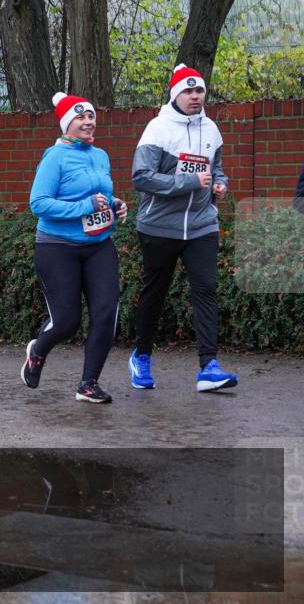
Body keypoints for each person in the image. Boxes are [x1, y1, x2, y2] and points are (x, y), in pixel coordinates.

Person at [129, 64, 238, 392]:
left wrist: (220, 183)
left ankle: (208, 367)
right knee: (155, 294)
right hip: (160, 226)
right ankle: (142, 356)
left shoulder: (212, 130)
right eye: (188, 91)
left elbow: (216, 168)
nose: (195, 97)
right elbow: (142, 177)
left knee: (205, 290)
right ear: (176, 95)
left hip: (202, 226)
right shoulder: (157, 129)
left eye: (199, 91)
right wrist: (190, 181)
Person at [21, 93, 128, 404]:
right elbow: (38, 203)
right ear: (68, 124)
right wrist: (83, 206)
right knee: (67, 322)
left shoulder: (100, 156)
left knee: (106, 315)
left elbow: (101, 196)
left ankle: (88, 384)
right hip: (57, 248)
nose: (88, 122)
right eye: (81, 118)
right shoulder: (54, 157)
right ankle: (37, 350)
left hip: (98, 246)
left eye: (91, 117)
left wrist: (116, 205)